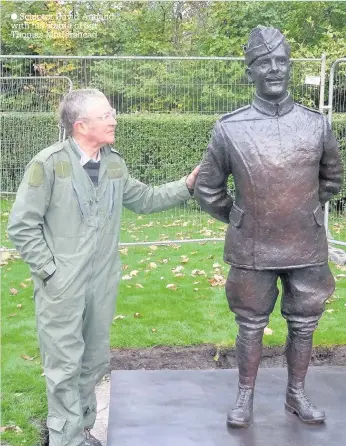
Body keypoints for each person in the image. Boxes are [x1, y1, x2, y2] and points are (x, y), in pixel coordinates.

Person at [8, 88, 199, 446]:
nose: (114, 120)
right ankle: (64, 439)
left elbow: (143, 199)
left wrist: (186, 185)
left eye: (112, 114)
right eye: (106, 115)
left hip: (102, 282)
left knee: (94, 361)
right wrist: (50, 271)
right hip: (60, 286)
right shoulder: (48, 165)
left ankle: (80, 429)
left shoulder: (113, 163)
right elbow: (21, 225)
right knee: (64, 364)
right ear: (81, 126)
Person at [194, 26, 343, 428]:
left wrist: (301, 211)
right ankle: (245, 396)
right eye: (264, 63)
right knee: (250, 322)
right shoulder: (230, 128)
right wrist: (242, 217)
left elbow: (331, 180)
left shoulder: (317, 125)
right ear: (250, 72)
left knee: (304, 321)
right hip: (252, 246)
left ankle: (296, 393)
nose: (274, 69)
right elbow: (208, 189)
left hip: (305, 245)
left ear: (290, 68)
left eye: (281, 62)